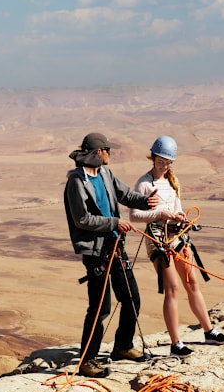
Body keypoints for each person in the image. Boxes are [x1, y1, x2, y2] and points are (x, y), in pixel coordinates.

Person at [64, 132, 159, 378]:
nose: (110, 154)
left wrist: (146, 202)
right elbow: (82, 219)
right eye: (108, 150)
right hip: (96, 253)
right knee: (100, 307)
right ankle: (87, 360)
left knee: (131, 297)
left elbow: (125, 195)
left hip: (116, 247)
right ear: (98, 153)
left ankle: (123, 346)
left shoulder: (105, 174)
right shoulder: (76, 181)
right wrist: (114, 223)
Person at [130, 136, 224, 357]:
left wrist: (180, 216)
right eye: (160, 161)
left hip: (176, 237)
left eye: (167, 162)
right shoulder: (144, 183)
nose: (164, 165)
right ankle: (175, 343)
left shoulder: (172, 182)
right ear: (153, 157)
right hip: (157, 240)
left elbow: (177, 208)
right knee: (172, 288)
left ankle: (209, 331)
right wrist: (160, 214)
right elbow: (135, 214)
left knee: (192, 282)